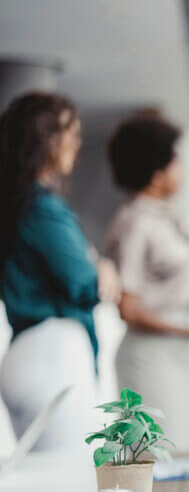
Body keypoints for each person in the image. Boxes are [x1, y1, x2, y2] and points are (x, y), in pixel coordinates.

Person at [0, 92, 120, 448]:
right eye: (73, 133)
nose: (77, 144)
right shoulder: (41, 208)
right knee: (68, 485)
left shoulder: (14, 206)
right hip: (53, 355)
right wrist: (103, 266)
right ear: (47, 139)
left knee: (46, 485)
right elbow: (85, 284)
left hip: (25, 349)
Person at [105, 111, 189, 450]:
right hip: (153, 352)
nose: (182, 171)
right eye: (177, 162)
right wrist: (188, 329)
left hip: (178, 347)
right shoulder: (134, 221)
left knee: (184, 449)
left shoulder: (165, 216)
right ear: (157, 173)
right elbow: (128, 307)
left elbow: (164, 282)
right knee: (159, 455)